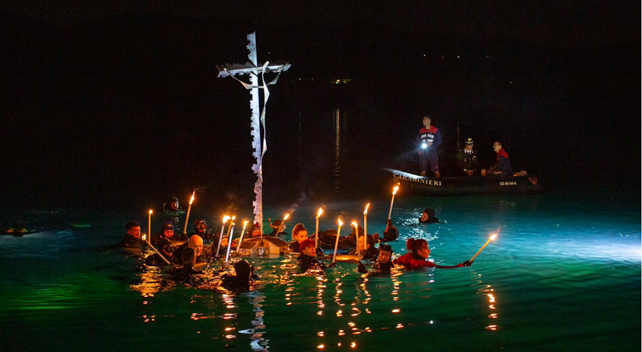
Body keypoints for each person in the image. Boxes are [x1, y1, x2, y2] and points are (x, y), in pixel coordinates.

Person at [393, 238, 472, 269]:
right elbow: (443, 268)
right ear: (419, 252)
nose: (429, 251)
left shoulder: (406, 257)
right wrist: (462, 265)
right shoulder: (425, 264)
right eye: (427, 249)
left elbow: (394, 262)